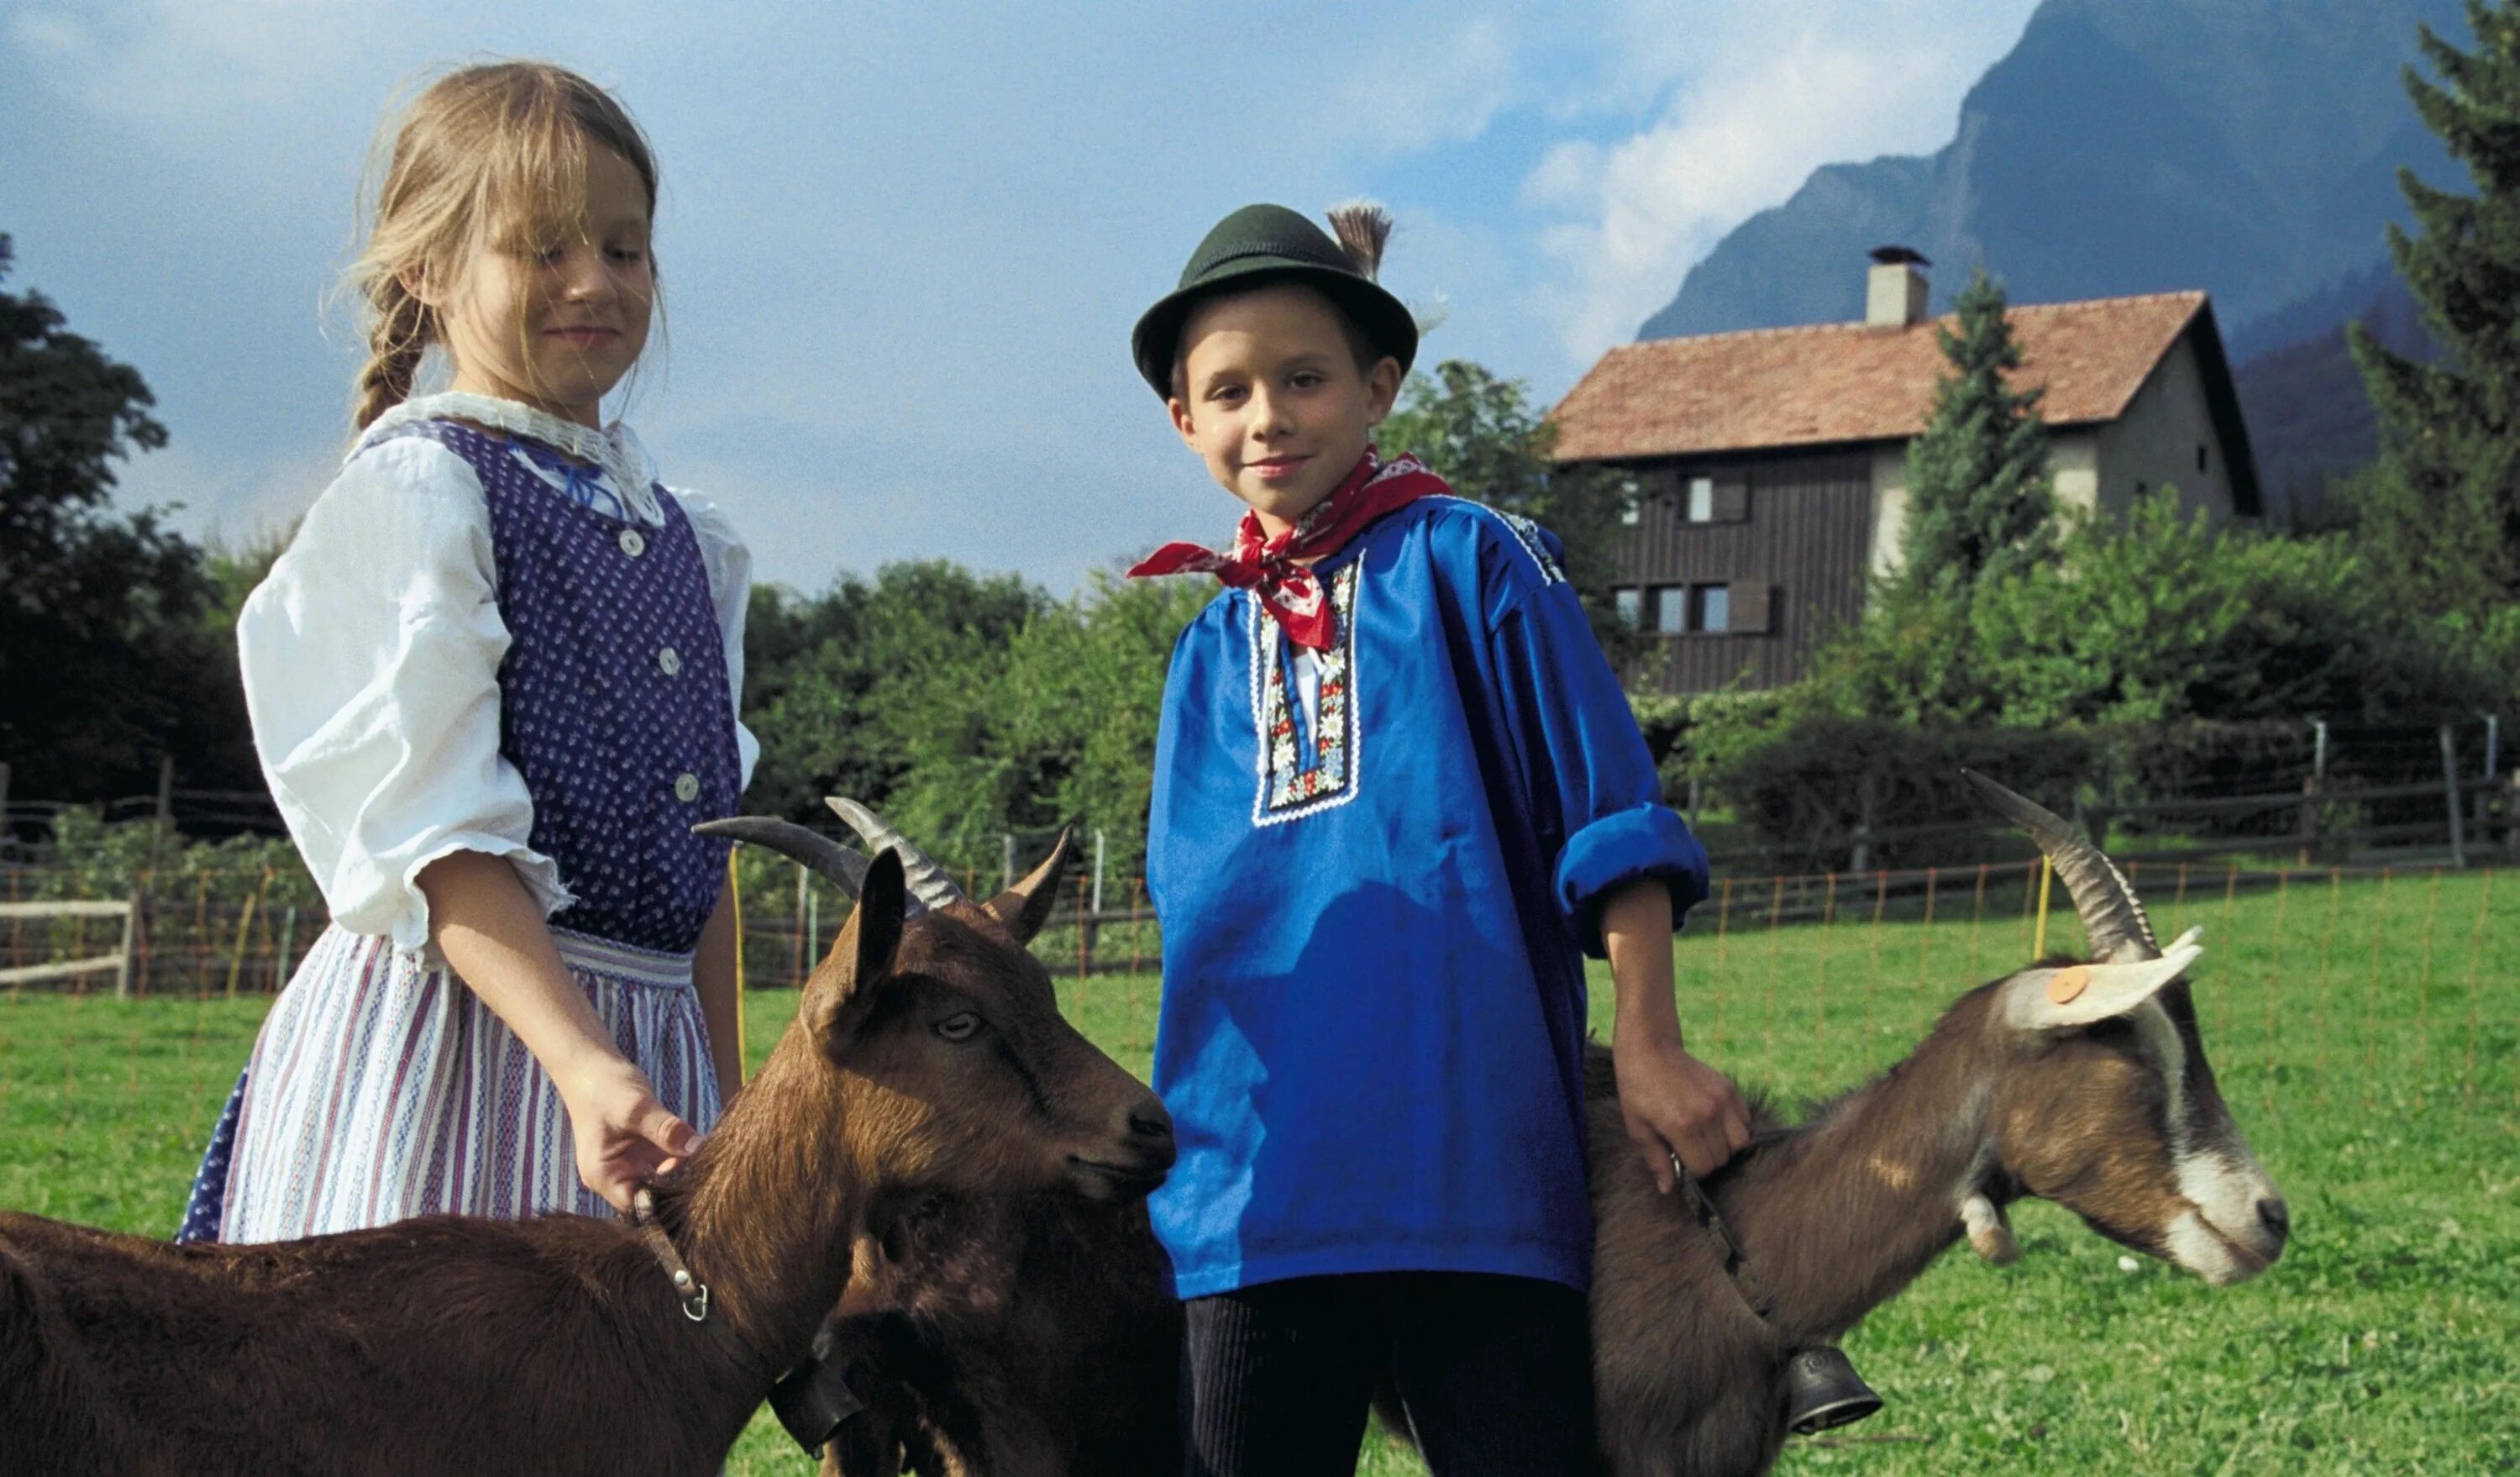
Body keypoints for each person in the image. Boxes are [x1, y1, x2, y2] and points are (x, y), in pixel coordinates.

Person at [1127, 202, 1751, 1476]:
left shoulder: (1473, 561)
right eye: (1229, 390)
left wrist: (1650, 1042)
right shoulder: (1202, 660)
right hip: (1252, 1196)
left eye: (1304, 378)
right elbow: (1200, 931)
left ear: (1379, 386)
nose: (1269, 416)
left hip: (1473, 1173)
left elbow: (1609, 816)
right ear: (1183, 421)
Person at [175, 61, 754, 1245]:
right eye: (540, 249)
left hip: (646, 1070)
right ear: (426, 273)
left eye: (624, 247)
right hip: (473, 1053)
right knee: (431, 1407)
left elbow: (709, 867)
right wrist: (583, 1063)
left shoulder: (696, 544)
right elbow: (439, 843)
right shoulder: (427, 495)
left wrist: (731, 1099)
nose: (593, 279)